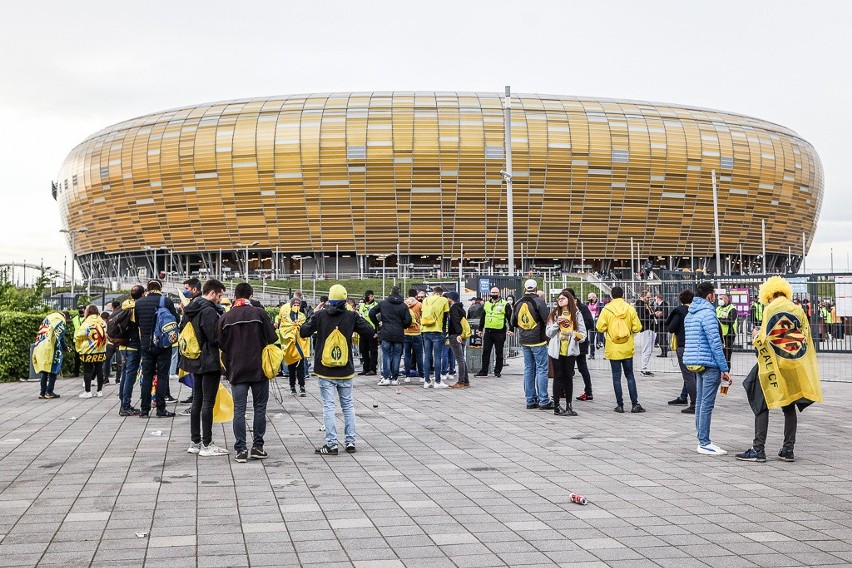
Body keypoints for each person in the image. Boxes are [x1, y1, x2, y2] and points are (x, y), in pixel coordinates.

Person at [736, 276, 823, 463]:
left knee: (761, 402)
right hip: (792, 364)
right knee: (789, 404)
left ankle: (758, 449)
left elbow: (764, 339)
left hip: (773, 364)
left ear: (768, 294)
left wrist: (755, 335)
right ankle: (788, 449)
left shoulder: (771, 309)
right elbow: (805, 338)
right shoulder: (797, 310)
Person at [300, 284, 375, 455]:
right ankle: (350, 442)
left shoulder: (320, 315)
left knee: (329, 406)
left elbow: (304, 332)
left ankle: (331, 444)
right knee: (348, 405)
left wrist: (314, 313)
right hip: (345, 368)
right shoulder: (352, 316)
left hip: (325, 369)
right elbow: (370, 331)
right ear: (345, 300)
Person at [218, 282, 278, 463]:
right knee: (260, 408)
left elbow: (220, 344)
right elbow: (272, 338)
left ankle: (241, 449)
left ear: (235, 296)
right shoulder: (259, 314)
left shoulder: (225, 317)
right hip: (259, 369)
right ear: (250, 296)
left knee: (239, 410)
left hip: (236, 370)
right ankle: (258, 447)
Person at [684, 281, 731, 456]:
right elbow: (715, 344)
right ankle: (704, 442)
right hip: (710, 363)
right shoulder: (708, 314)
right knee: (706, 405)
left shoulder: (691, 314)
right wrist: (724, 367)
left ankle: (701, 439)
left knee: (700, 403)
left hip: (696, 363)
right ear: (710, 295)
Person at [181, 279, 227, 456]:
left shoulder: (191, 307)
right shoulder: (208, 311)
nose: (220, 299)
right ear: (213, 293)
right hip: (209, 360)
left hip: (194, 358)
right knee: (208, 402)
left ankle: (195, 442)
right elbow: (214, 338)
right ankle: (207, 444)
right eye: (220, 295)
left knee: (197, 401)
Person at [596, 286, 645, 413]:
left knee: (616, 377)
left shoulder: (606, 309)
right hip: (627, 346)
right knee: (630, 376)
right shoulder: (629, 308)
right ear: (623, 295)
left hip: (613, 347)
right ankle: (635, 404)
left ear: (611, 296)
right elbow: (638, 327)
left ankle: (620, 405)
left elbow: (600, 327)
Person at [134, 280, 178, 418]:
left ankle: (144, 409)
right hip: (163, 344)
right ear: (160, 288)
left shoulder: (139, 303)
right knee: (162, 376)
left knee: (146, 376)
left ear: (147, 288)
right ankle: (160, 408)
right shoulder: (166, 301)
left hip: (146, 344)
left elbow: (137, 322)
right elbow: (175, 319)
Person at [512, 279, 552, 410]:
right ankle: (544, 400)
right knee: (541, 369)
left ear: (525, 288)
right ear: (536, 288)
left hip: (524, 340)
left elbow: (513, 322)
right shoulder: (539, 302)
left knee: (528, 369)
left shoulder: (518, 302)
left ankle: (530, 400)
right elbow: (548, 320)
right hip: (538, 340)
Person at [545, 290, 586, 415]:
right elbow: (548, 333)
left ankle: (569, 405)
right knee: (558, 377)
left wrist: (577, 336)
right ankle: (556, 406)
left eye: (563, 298)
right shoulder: (554, 314)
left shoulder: (576, 314)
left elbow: (583, 333)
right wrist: (557, 324)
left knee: (569, 377)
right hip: (557, 349)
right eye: (559, 298)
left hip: (570, 349)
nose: (560, 300)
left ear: (570, 299)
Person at [369, 286, 412, 386]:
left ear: (390, 292)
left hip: (386, 332)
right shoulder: (403, 305)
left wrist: (377, 323)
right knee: (397, 355)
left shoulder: (383, 303)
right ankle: (395, 378)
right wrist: (402, 325)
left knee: (386, 355)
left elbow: (371, 312)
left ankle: (386, 377)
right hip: (398, 332)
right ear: (400, 293)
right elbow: (408, 320)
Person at [666, 289, 697, 413]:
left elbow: (671, 327)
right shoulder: (697, 310)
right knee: (694, 374)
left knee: (688, 376)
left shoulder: (680, 311)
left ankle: (694, 404)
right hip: (696, 346)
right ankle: (684, 396)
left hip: (683, 345)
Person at [118, 285, 145, 416]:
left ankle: (122, 401)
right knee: (130, 376)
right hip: (133, 346)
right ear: (143, 294)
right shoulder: (137, 308)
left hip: (122, 345)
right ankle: (125, 405)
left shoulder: (124, 306)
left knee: (124, 374)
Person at [177, 278, 203, 410]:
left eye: (187, 289)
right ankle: (195, 398)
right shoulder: (196, 303)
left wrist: (185, 311)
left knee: (197, 375)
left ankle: (196, 403)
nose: (185, 292)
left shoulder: (194, 305)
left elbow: (184, 326)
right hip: (194, 346)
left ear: (194, 289)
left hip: (195, 346)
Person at [475, 287, 512, 378]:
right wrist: (480, 329)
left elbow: (510, 318)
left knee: (499, 353)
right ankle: (484, 371)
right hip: (488, 331)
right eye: (492, 292)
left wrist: (511, 329)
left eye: (495, 292)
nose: (494, 294)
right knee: (486, 351)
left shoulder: (505, 304)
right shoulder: (487, 304)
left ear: (499, 293)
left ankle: (497, 371)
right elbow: (483, 317)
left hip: (500, 331)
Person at [566, 288, 595, 402]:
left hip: (579, 343)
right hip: (568, 343)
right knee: (567, 368)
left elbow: (590, 323)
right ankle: (563, 391)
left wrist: (575, 325)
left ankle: (588, 392)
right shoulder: (566, 308)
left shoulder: (582, 308)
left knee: (582, 368)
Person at [420, 286, 451, 388]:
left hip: (425, 330)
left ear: (433, 292)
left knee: (427, 356)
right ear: (441, 293)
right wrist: (444, 331)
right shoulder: (443, 300)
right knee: (437, 356)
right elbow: (446, 316)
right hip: (437, 330)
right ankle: (437, 381)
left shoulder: (425, 300)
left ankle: (426, 381)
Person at [75, 304, 108, 398]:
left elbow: (79, 335)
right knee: (99, 370)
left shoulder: (86, 322)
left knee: (87, 371)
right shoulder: (102, 321)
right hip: (101, 349)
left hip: (88, 350)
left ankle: (88, 391)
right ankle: (99, 391)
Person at [32, 312, 68, 399]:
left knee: (44, 371)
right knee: (53, 370)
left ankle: (42, 392)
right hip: (50, 348)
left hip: (40, 347)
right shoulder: (60, 320)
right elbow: (60, 337)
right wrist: (65, 348)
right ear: (65, 317)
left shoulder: (48, 319)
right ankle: (49, 392)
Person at [279, 298, 309, 396]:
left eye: (298, 304)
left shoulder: (302, 316)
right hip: (290, 345)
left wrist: (298, 327)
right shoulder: (286, 317)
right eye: (294, 304)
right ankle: (292, 386)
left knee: (300, 366)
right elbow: (283, 328)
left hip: (299, 344)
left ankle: (302, 386)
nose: (296, 305)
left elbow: (305, 328)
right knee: (291, 367)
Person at [446, 292, 470, 388]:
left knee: (459, 359)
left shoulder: (453, 308)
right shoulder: (461, 308)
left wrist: (458, 334)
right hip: (462, 335)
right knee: (462, 359)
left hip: (456, 335)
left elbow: (455, 322)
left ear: (451, 298)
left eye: (448, 298)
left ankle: (460, 382)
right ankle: (465, 380)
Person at [403, 288, 424, 381]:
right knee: (419, 355)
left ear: (408, 295)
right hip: (417, 332)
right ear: (416, 295)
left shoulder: (404, 304)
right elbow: (423, 316)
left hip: (406, 331)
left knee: (407, 355)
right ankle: (422, 376)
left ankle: (407, 376)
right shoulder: (419, 304)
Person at [635, 290, 657, 376]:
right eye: (648, 297)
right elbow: (642, 317)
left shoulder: (645, 304)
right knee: (646, 349)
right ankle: (643, 368)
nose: (649, 299)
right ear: (643, 296)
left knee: (649, 349)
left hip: (650, 328)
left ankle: (645, 367)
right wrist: (654, 315)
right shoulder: (640, 304)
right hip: (646, 328)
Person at [357, 290, 379, 375]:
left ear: (373, 296)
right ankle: (365, 368)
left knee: (373, 350)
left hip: (372, 330)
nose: (367, 298)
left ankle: (373, 369)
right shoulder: (362, 305)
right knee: (363, 350)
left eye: (369, 296)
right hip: (363, 330)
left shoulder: (376, 305)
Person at [103, 300, 123, 383]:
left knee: (107, 361)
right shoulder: (123, 315)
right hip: (120, 342)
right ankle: (118, 379)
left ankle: (106, 378)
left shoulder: (110, 317)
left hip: (110, 342)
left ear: (113, 307)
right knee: (119, 362)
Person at [716, 293, 738, 365]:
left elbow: (730, 321)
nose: (720, 300)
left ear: (727, 299)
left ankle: (726, 374)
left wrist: (720, 319)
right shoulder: (718, 309)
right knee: (719, 356)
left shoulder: (732, 309)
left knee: (727, 357)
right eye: (719, 299)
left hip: (728, 335)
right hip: (719, 335)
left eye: (721, 298)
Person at [654, 292, 669, 357]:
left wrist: (659, 314)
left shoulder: (664, 304)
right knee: (661, 339)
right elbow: (655, 313)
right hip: (660, 324)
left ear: (658, 298)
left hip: (663, 325)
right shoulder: (659, 305)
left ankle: (664, 353)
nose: (655, 300)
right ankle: (663, 352)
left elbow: (664, 314)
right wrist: (658, 313)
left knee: (662, 339)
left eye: (656, 298)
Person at [586, 293, 601, 359]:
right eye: (588, 297)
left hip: (598, 322)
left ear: (594, 297)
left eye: (590, 297)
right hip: (591, 322)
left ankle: (606, 353)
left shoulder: (600, 304)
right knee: (591, 340)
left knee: (601, 338)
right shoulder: (587, 304)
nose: (589, 299)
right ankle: (592, 354)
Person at [71, 306, 84, 377]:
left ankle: (85, 371)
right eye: (79, 309)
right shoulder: (75, 319)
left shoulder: (87, 318)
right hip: (77, 340)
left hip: (84, 340)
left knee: (85, 357)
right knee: (77, 357)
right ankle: (76, 372)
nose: (80, 310)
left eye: (82, 309)